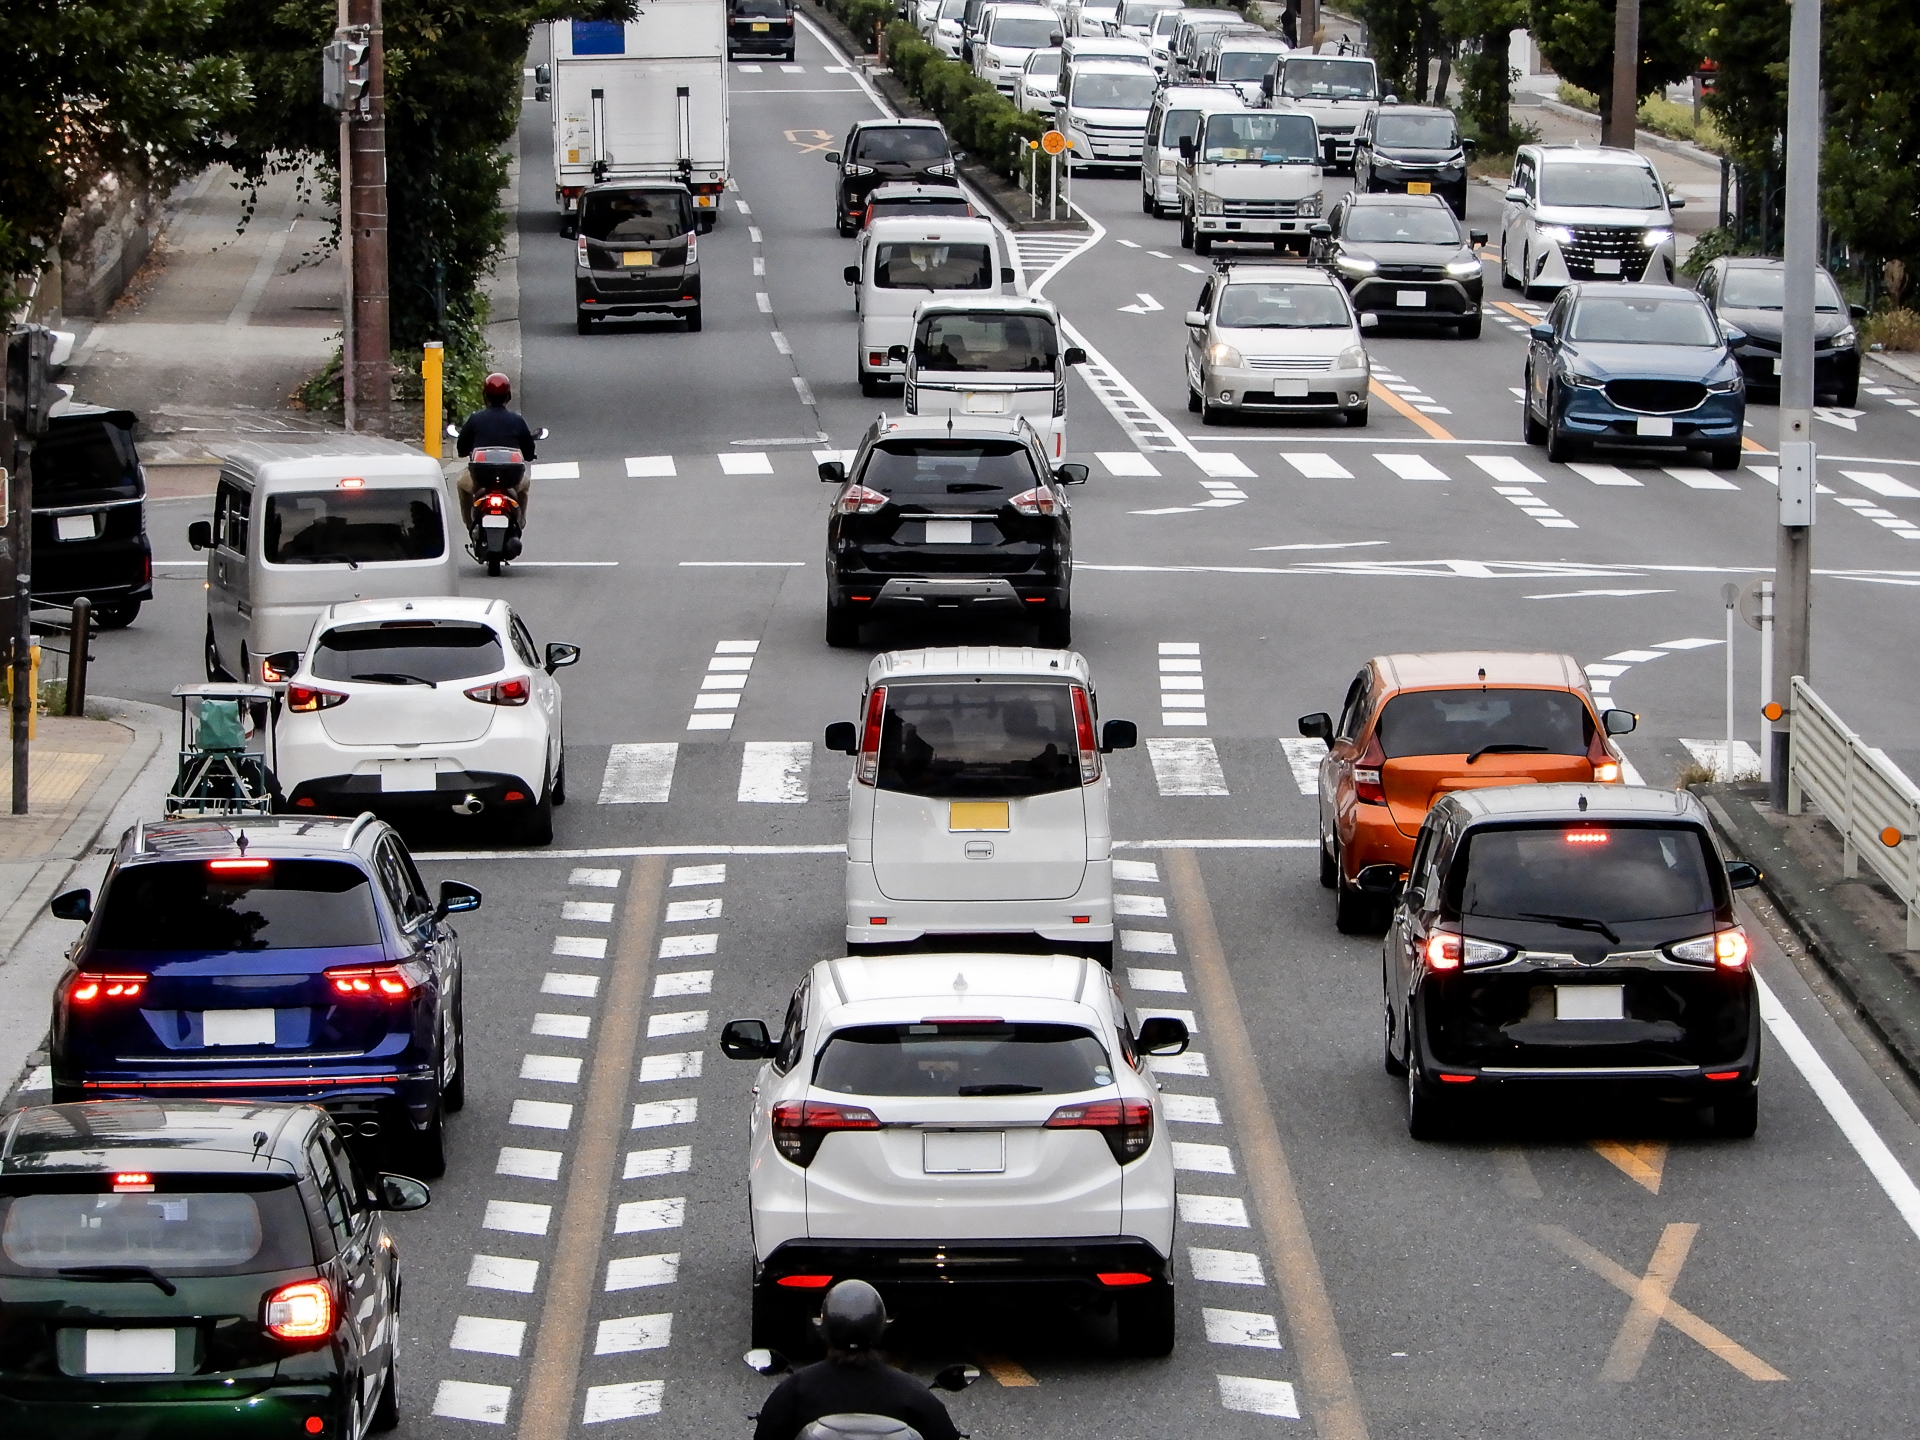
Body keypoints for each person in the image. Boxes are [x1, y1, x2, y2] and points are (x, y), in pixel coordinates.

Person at [753, 1281, 960, 1440]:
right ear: (879, 1326)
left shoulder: (796, 1391)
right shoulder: (912, 1394)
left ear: (826, 1328)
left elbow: (764, 1435)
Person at [455, 373, 537, 527]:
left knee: (461, 484)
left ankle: (470, 523)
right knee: (524, 486)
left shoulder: (475, 419)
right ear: (508, 396)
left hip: (480, 478)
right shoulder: (517, 420)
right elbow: (528, 450)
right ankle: (520, 522)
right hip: (511, 479)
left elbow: (462, 447)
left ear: (485, 395)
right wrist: (530, 455)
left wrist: (465, 451)